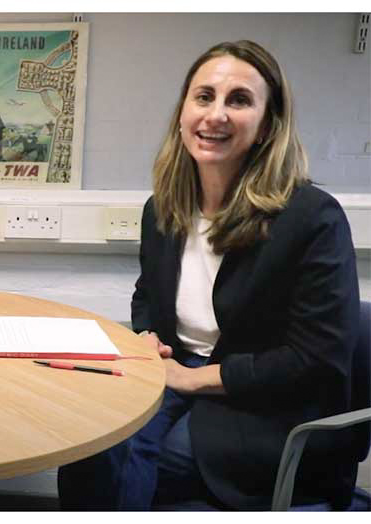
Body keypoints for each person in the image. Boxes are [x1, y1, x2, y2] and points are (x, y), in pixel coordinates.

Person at [57, 40, 361, 511]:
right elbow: (147, 297)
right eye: (204, 97)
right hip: (175, 374)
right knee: (91, 440)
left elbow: (317, 362)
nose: (215, 114)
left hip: (266, 407)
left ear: (266, 126)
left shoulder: (312, 218)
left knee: (132, 455)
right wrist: (149, 338)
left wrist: (192, 380)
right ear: (182, 114)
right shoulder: (163, 210)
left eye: (239, 100)